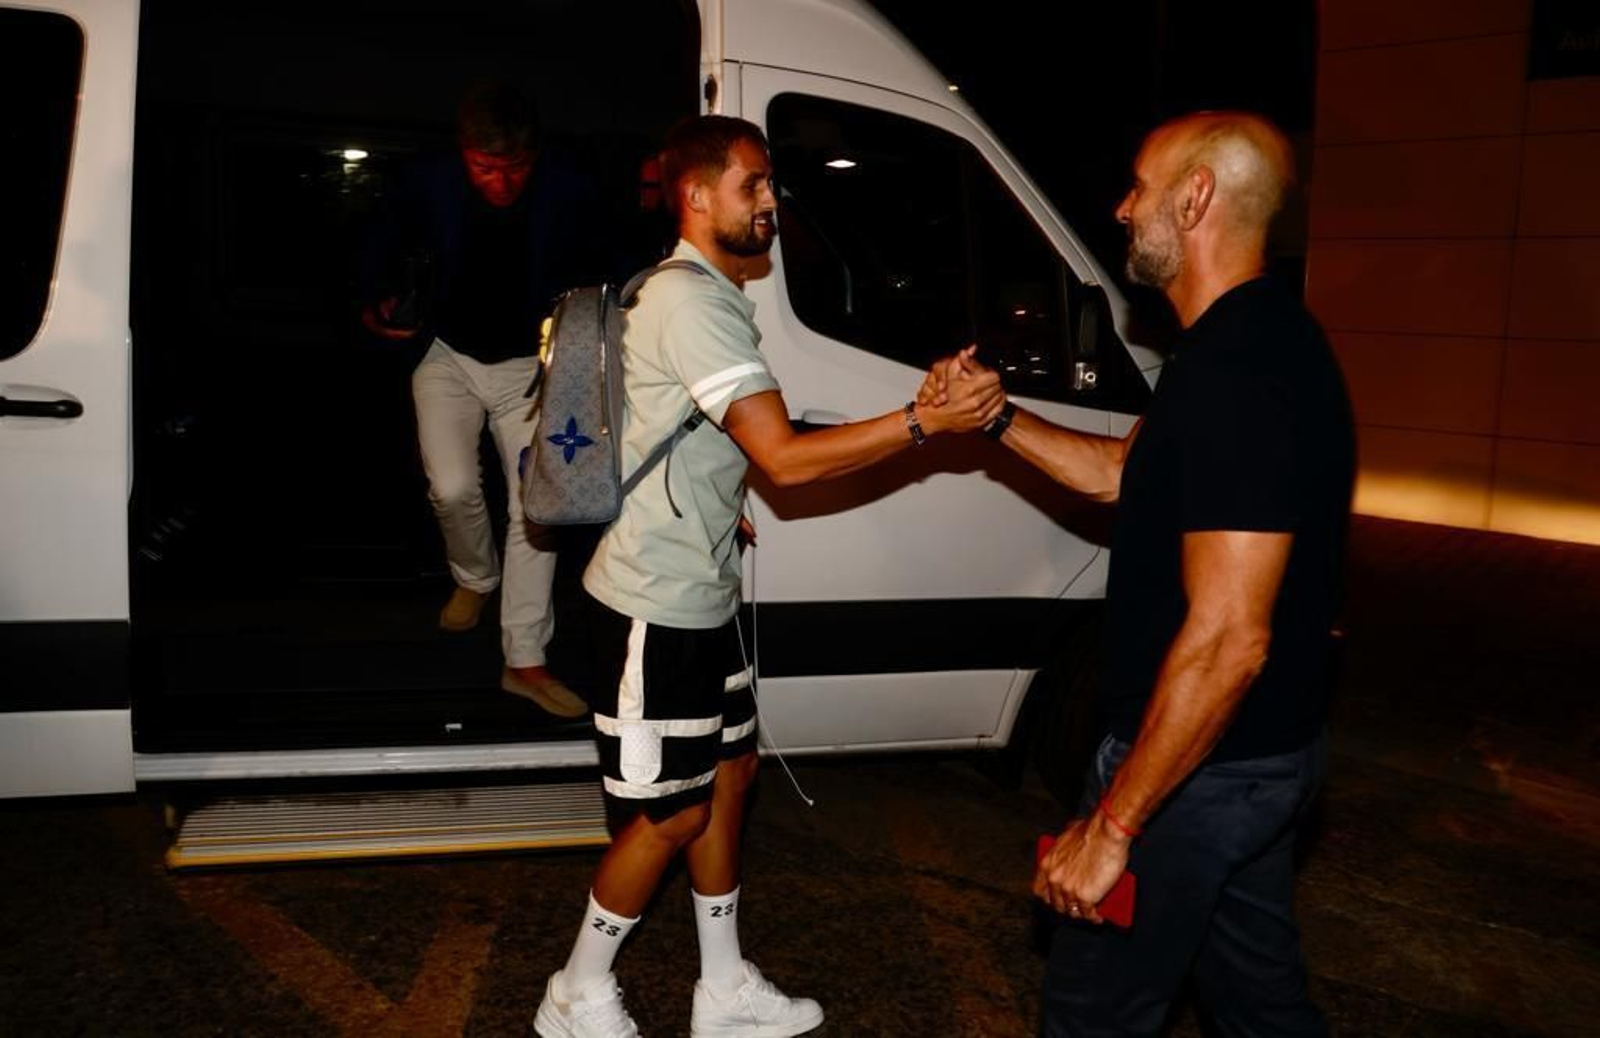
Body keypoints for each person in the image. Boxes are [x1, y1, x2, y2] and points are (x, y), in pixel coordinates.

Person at [533, 115, 1005, 1038]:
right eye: (752, 184)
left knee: (731, 773)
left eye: (770, 185)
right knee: (667, 817)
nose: (769, 203)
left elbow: (691, 432)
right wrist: (924, 420)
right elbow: (783, 459)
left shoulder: (700, 295)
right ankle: (575, 992)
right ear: (696, 196)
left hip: (700, 592)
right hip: (650, 605)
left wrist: (716, 493)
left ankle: (722, 988)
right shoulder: (691, 301)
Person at [924, 111, 1354, 1036]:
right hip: (1250, 762)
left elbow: (1232, 638)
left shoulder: (1242, 370)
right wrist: (994, 418)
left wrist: (1115, 827)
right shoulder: (1242, 344)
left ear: (1196, 197)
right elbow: (1125, 474)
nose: (1123, 208)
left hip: (1197, 769)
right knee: (1259, 1006)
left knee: (1093, 1015)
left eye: (1141, 187)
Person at [360, 80, 600, 718]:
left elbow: (609, 269)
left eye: (514, 168)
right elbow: (382, 235)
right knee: (453, 487)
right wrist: (377, 296)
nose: (499, 183)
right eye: (485, 169)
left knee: (537, 509)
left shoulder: (570, 187)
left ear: (534, 154)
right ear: (464, 153)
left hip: (531, 365)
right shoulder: (431, 178)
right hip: (446, 355)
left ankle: (524, 658)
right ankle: (475, 577)